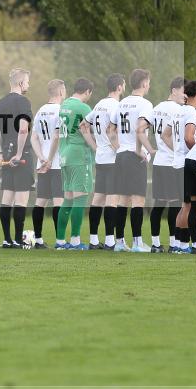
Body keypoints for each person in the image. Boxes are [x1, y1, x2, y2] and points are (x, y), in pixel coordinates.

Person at [110, 68, 155, 252]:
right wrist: (139, 150)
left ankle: (119, 243)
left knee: (123, 200)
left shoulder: (121, 104)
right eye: (149, 82)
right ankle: (137, 243)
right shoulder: (145, 104)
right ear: (144, 83)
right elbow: (140, 130)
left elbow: (110, 131)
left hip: (120, 156)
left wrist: (118, 148)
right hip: (134, 157)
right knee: (138, 200)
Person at [55, 78, 97, 250]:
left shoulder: (64, 105)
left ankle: (59, 240)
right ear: (87, 91)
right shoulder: (84, 108)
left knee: (68, 198)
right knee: (81, 198)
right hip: (79, 155)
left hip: (64, 154)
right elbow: (90, 129)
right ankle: (75, 240)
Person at [0, 68, 34, 248]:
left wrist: (0, 154)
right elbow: (23, 129)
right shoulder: (24, 102)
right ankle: (18, 240)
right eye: (27, 82)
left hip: (6, 153)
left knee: (6, 198)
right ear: (20, 83)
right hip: (21, 155)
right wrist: (18, 153)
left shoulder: (0, 103)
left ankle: (7, 239)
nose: (28, 85)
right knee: (21, 200)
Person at [85, 74, 124, 249]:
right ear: (119, 87)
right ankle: (109, 241)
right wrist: (120, 151)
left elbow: (83, 126)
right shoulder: (116, 106)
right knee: (112, 199)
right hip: (113, 158)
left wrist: (95, 146)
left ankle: (93, 240)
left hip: (100, 158)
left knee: (98, 198)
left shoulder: (99, 104)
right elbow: (111, 132)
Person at [149, 76, 186, 252]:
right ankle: (173, 243)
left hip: (159, 161)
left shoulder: (156, 108)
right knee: (175, 203)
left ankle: (155, 243)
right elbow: (168, 135)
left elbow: (145, 129)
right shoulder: (177, 110)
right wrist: (178, 151)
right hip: (171, 162)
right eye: (183, 91)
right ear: (174, 90)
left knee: (159, 203)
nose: (185, 95)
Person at [30, 79, 66, 248]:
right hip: (57, 163)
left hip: (42, 163)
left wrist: (42, 158)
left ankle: (38, 240)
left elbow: (34, 138)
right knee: (58, 201)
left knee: (41, 201)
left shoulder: (40, 111)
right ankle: (60, 241)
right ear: (60, 92)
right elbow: (57, 136)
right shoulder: (61, 111)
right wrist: (50, 159)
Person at [175, 79, 196, 254]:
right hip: (187, 162)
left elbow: (167, 135)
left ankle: (178, 245)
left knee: (184, 205)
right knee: (189, 206)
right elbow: (189, 137)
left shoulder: (179, 112)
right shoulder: (194, 114)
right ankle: (182, 245)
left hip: (176, 161)